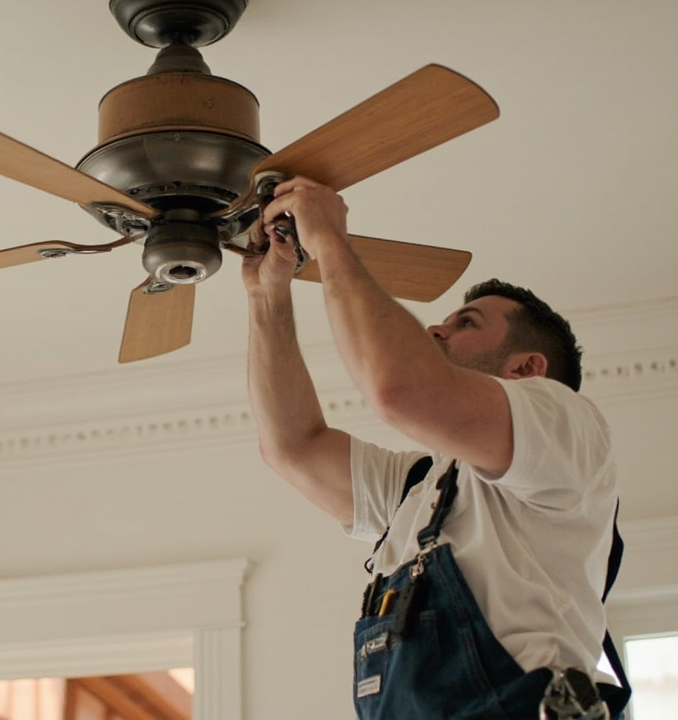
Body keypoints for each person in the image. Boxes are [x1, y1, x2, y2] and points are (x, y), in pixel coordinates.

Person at [241, 176, 629, 719]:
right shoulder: (421, 490)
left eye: (465, 323)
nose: (435, 331)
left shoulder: (565, 427)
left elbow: (398, 389)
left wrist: (329, 240)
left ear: (526, 369)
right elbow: (293, 446)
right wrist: (267, 295)